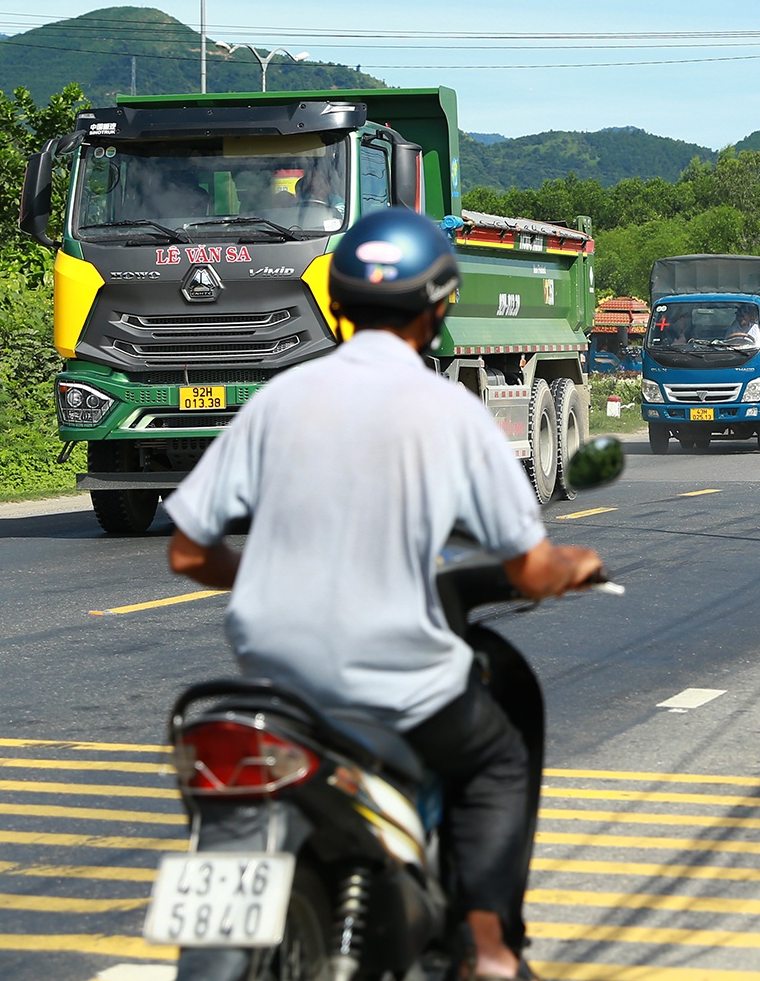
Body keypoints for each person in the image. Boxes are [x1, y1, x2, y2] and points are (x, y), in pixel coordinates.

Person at [163, 207, 601, 981]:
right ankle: (489, 951)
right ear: (437, 310)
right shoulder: (451, 412)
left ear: (337, 302)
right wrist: (570, 566)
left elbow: (189, 549)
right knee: (497, 756)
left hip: (271, 680)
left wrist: (262, 569)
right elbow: (530, 570)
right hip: (394, 683)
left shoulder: (278, 400)